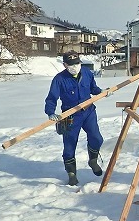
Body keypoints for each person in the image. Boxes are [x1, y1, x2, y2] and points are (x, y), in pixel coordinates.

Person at [45, 51, 105, 186]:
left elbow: (93, 88)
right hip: (70, 115)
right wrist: (50, 112)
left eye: (77, 63)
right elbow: (52, 98)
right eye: (71, 65)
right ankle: (71, 173)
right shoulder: (59, 79)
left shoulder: (87, 73)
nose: (75, 66)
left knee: (97, 138)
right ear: (65, 65)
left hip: (88, 111)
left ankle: (93, 160)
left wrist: (101, 92)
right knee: (69, 145)